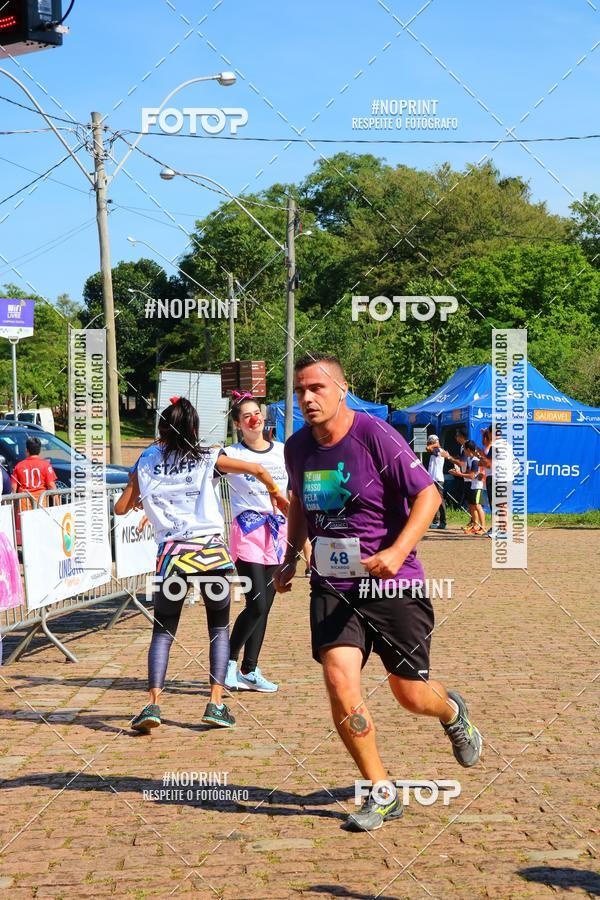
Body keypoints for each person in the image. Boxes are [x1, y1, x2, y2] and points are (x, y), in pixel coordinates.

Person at [274, 353, 482, 832]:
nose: (307, 398)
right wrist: (289, 557)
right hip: (332, 583)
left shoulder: (374, 434)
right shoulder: (297, 447)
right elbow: (300, 504)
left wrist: (396, 550)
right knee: (339, 680)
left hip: (392, 581)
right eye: (300, 390)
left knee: (410, 694)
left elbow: (428, 494)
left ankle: (452, 711)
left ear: (341, 389)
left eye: (317, 388)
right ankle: (381, 791)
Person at [114, 396, 287, 733]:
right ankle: (215, 703)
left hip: (172, 555)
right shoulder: (207, 457)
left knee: (163, 632)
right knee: (218, 629)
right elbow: (257, 469)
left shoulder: (146, 459)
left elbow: (121, 508)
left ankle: (153, 704)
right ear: (194, 429)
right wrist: (274, 492)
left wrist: (142, 500)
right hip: (210, 553)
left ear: (162, 428)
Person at [222, 392, 290, 693]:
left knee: (266, 605)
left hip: (277, 532)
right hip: (247, 531)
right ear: (238, 424)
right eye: (246, 415)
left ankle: (250, 669)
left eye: (257, 413)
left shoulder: (283, 452)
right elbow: (199, 478)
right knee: (257, 602)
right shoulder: (229, 454)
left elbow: (293, 493)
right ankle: (226, 663)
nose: (254, 419)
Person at [449, 441, 486, 535]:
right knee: (471, 505)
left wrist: (458, 474)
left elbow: (472, 476)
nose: (463, 452)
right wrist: (457, 471)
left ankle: (483, 527)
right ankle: (475, 525)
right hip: (472, 485)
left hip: (477, 486)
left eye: (464, 449)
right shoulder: (470, 459)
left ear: (468, 449)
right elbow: (469, 473)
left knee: (477, 506)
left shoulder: (475, 460)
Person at [11, 436, 57, 504]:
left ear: (26, 450)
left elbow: (13, 488)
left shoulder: (19, 466)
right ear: (40, 450)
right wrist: (58, 505)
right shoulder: (46, 465)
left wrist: (13, 504)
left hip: (24, 505)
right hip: (41, 503)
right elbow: (51, 486)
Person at [425, 434, 448, 530]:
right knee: (434, 501)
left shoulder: (438, 450)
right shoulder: (435, 451)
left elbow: (428, 448)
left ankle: (443, 522)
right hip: (433, 479)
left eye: (430, 442)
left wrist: (435, 444)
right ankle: (436, 521)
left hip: (437, 479)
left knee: (440, 501)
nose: (429, 444)